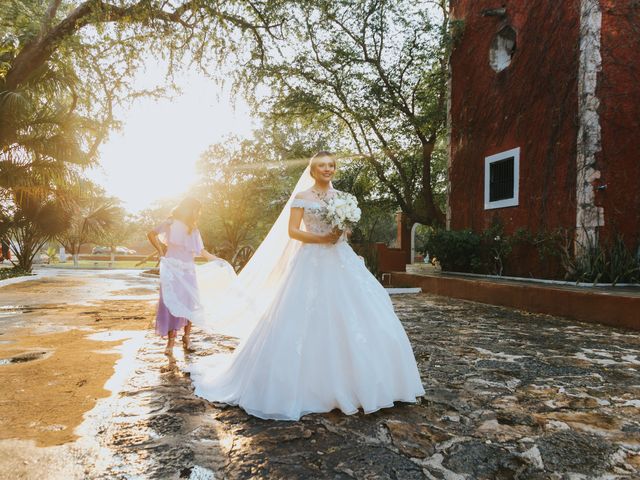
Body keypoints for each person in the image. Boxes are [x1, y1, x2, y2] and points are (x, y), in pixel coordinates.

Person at [188, 152, 425, 421]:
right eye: (322, 165)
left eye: (331, 165)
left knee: (358, 310)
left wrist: (340, 232)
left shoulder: (343, 198)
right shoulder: (302, 197)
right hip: (310, 259)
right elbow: (292, 231)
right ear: (313, 170)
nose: (327, 169)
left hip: (340, 259)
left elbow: (345, 231)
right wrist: (320, 238)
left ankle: (367, 382)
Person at [147, 197, 217, 356]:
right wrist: (159, 251)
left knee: (190, 302)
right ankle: (170, 343)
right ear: (190, 209)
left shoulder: (193, 229)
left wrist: (217, 260)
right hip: (172, 270)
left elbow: (201, 252)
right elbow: (151, 234)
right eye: (197, 210)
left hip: (188, 271)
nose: (197, 214)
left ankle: (187, 338)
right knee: (171, 303)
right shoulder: (170, 223)